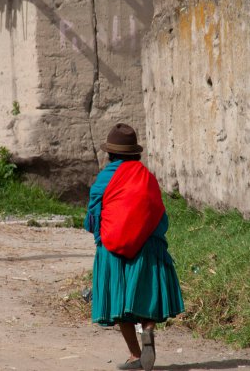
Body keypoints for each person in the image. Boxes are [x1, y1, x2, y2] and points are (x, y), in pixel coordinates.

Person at [84, 123, 184, 371]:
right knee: (144, 294)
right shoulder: (146, 177)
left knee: (118, 303)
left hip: (113, 249)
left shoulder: (104, 178)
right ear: (135, 152)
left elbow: (93, 218)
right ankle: (148, 329)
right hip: (147, 245)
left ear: (111, 154)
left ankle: (134, 354)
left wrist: (101, 237)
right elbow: (160, 218)